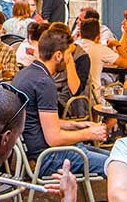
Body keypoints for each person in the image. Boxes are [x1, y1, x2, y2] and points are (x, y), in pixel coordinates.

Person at [11, 26, 109, 174]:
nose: (70, 59)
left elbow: (40, 121)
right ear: (58, 56)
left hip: (35, 153)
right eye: (69, 54)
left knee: (116, 159)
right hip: (48, 157)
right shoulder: (44, 82)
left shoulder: (25, 74)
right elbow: (54, 138)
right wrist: (89, 134)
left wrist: (75, 125)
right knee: (117, 165)